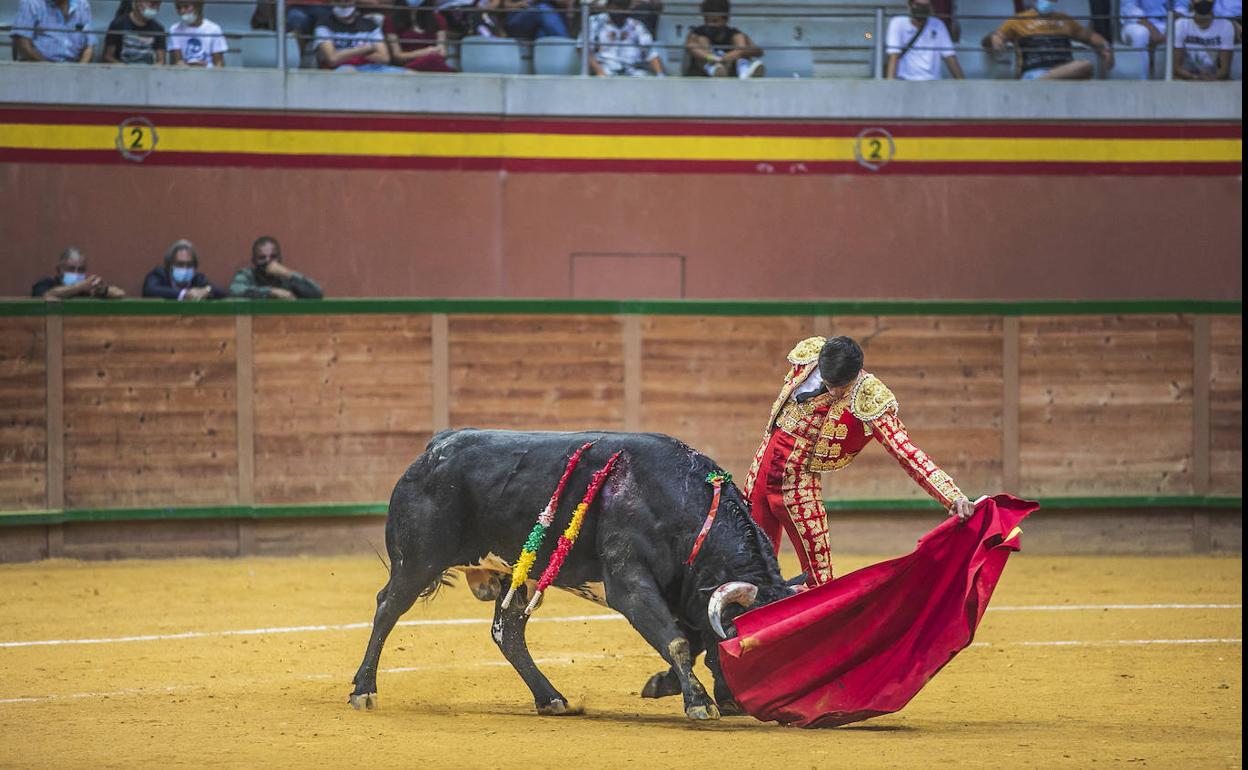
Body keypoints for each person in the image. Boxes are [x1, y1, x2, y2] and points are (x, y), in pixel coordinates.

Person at [742, 336, 974, 588]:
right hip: (761, 471)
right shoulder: (808, 357)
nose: (832, 392)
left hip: (798, 484)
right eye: (829, 384)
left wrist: (951, 496)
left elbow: (906, 451)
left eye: (839, 387)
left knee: (820, 578)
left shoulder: (868, 394)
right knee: (747, 560)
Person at [984, 0, 1113, 79]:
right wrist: (995, 39)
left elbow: (1091, 36)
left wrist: (1105, 47)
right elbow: (990, 40)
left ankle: (1044, 81)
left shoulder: (1065, 19)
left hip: (1066, 73)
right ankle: (1037, 83)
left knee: (1085, 68)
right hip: (1032, 73)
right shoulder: (1019, 20)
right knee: (1085, 66)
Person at [315, 0, 406, 71]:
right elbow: (332, 59)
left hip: (372, 68)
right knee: (349, 72)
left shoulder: (370, 25)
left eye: (347, 0)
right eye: (338, 1)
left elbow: (384, 58)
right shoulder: (324, 25)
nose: (343, 4)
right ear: (332, 2)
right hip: (342, 69)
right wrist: (365, 49)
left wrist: (344, 55)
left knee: (409, 74)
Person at [886, 0, 965, 80]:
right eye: (918, 5)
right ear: (909, 5)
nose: (922, 9)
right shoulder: (897, 23)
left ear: (930, 7)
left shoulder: (938, 25)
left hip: (932, 82)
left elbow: (950, 57)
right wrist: (890, 86)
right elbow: (893, 56)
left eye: (925, 6)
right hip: (905, 81)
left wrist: (964, 85)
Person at [684, 0, 765, 78]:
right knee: (701, 40)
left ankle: (744, 71)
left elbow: (758, 51)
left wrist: (738, 52)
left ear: (726, 19)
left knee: (741, 42)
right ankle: (713, 69)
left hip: (729, 68)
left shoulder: (734, 34)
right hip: (706, 68)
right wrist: (712, 58)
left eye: (715, 21)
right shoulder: (698, 33)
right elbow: (690, 46)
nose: (710, 24)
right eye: (706, 20)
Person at [229, 236, 324, 300]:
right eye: (262, 257)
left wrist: (289, 274)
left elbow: (317, 294)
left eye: (273, 256)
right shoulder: (247, 275)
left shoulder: (286, 278)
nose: (268, 261)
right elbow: (235, 291)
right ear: (253, 261)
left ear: (280, 258)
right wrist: (271, 292)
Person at [587, 0, 665, 76]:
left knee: (644, 77)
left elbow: (650, 52)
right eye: (616, 7)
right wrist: (599, 71)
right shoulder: (595, 22)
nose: (620, 11)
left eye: (623, 7)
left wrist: (660, 75)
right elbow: (584, 49)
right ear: (608, 6)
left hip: (632, 70)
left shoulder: (636, 25)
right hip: (605, 68)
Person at [1121, 0, 1190, 78]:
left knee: (1181, 28)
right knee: (1140, 34)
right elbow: (1129, 7)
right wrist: (1151, 28)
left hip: (1168, 21)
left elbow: (1182, 6)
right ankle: (1142, 81)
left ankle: (1166, 81)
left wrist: (1170, 26)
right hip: (1137, 22)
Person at [142, 239, 227, 301]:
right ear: (170, 265)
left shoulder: (197, 279)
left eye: (189, 265)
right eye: (180, 264)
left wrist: (206, 290)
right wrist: (184, 294)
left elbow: (221, 292)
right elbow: (149, 290)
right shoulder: (160, 274)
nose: (185, 268)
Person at [384, 0, 456, 72]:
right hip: (407, 67)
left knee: (433, 60)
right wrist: (424, 52)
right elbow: (397, 56)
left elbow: (442, 52)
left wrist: (434, 53)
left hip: (433, 62)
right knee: (432, 60)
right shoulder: (391, 20)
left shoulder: (438, 19)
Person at [12, 0, 94, 62]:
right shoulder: (31, 3)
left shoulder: (83, 5)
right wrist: (50, 69)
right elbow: (22, 44)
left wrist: (81, 70)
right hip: (37, 67)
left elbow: (89, 45)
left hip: (74, 69)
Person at [31, 248, 126, 299]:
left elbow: (119, 293)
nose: (76, 273)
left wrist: (103, 290)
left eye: (81, 270)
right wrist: (80, 287)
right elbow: (46, 295)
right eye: (71, 269)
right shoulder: (46, 283)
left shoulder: (87, 287)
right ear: (59, 270)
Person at [1174, 0, 1235, 78]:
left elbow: (1225, 70)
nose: (1203, 1)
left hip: (1215, 79)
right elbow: (1176, 67)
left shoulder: (1226, 25)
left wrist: (1211, 78)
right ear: (1191, 1)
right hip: (1187, 78)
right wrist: (1195, 77)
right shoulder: (1180, 24)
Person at [167, 0, 228, 67]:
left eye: (186, 7)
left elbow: (219, 63)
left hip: (209, 75)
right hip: (184, 74)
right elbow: (177, 62)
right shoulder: (174, 30)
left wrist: (206, 67)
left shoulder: (214, 29)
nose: (182, 11)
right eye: (178, 8)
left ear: (198, 6)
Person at [496, 0, 570, 40]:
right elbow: (504, 5)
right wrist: (519, 4)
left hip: (543, 21)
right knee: (541, 9)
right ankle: (567, 46)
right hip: (517, 20)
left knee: (542, 33)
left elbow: (566, 3)